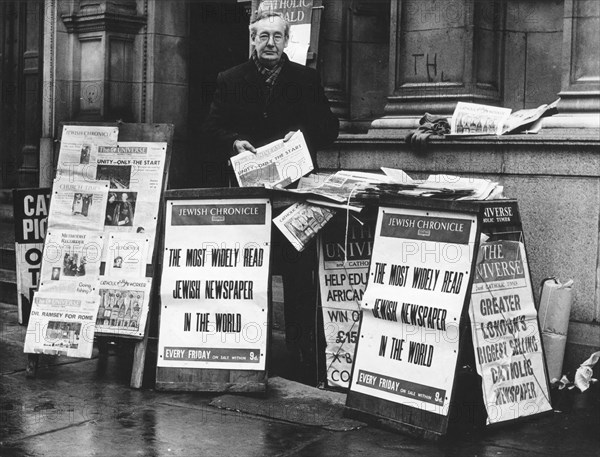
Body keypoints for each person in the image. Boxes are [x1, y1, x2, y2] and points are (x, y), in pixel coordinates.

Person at [203, 11, 338, 385]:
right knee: (251, 273)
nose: (270, 43)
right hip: (250, 201)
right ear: (252, 39)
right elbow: (210, 127)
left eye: (277, 36)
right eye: (263, 36)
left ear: (286, 40)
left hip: (295, 199)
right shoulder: (230, 80)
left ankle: (301, 352)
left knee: (299, 274)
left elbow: (330, 129)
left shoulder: (305, 79)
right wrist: (233, 142)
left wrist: (302, 137)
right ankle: (251, 349)